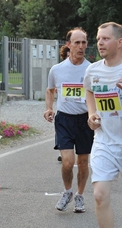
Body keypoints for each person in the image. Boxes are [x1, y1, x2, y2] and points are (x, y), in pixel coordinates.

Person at [43, 28, 93, 213]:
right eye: (77, 42)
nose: (81, 46)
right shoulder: (57, 70)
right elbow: (50, 90)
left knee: (82, 162)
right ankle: (67, 192)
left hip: (84, 120)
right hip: (64, 119)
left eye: (84, 42)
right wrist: (49, 108)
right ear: (68, 45)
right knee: (66, 162)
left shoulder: (91, 69)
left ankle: (80, 195)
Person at [84, 22, 122, 228]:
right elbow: (89, 92)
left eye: (106, 39)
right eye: (99, 38)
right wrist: (91, 114)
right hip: (105, 141)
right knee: (99, 195)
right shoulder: (93, 71)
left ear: (119, 42)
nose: (100, 43)